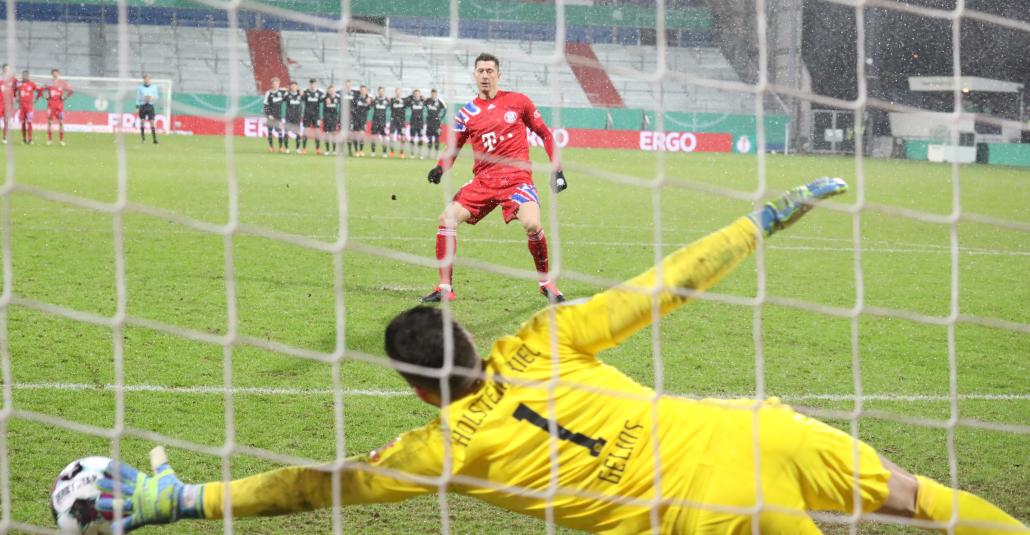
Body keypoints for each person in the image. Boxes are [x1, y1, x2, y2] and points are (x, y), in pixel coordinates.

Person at [94, 178, 1027, 534]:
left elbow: (315, 483)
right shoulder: (542, 339)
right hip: (752, 431)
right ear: (466, 339)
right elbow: (664, 284)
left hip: (707, 514)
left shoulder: (438, 450)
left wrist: (186, 498)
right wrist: (759, 219)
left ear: (416, 385)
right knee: (914, 497)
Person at [422, 53, 567, 303]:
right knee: (447, 219)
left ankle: (546, 283)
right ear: (475, 75)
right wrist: (440, 168)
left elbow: (544, 133)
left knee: (532, 224)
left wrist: (558, 169)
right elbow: (453, 149)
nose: (485, 75)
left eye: (490, 71)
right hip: (484, 182)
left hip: (517, 180)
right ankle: (445, 288)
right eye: (481, 71)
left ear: (499, 75)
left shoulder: (518, 101)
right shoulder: (466, 114)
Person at [42, 68, 73, 146]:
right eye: (53, 73)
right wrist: (45, 96)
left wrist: (64, 97)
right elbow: (41, 89)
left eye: (56, 73)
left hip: (59, 105)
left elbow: (71, 90)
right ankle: (49, 140)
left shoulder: (62, 83)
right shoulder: (49, 83)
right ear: (52, 74)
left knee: (61, 123)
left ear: (58, 74)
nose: (55, 75)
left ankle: (61, 140)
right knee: (49, 122)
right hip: (51, 104)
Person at [300, 78, 324, 155]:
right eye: (311, 84)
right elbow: (301, 98)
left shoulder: (320, 92)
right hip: (307, 115)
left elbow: (324, 100)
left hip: (316, 116)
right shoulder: (305, 92)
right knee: (306, 131)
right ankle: (304, 149)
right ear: (309, 84)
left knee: (317, 132)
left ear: (315, 84)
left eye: (313, 84)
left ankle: (318, 149)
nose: (312, 85)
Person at [262, 77, 287, 153]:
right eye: (274, 84)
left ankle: (280, 147)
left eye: (277, 83)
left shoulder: (282, 91)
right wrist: (269, 114)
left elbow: (289, 94)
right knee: (270, 132)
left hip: (278, 116)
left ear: (279, 84)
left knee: (279, 131)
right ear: (272, 85)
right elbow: (265, 105)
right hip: (270, 116)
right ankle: (271, 147)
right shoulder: (268, 93)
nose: (276, 85)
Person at [15, 70, 39, 145]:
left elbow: (39, 91)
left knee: (29, 123)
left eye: (26, 75)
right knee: (22, 123)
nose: (24, 76)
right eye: (23, 75)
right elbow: (14, 91)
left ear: (28, 76)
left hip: (29, 108)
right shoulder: (19, 84)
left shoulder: (32, 84)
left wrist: (36, 99)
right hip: (21, 107)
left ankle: (30, 139)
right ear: (22, 76)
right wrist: (16, 97)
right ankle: (23, 139)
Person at [135, 74, 159, 144]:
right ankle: (143, 139)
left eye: (148, 79)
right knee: (142, 122)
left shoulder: (154, 87)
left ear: (150, 79)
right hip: (142, 106)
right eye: (145, 79)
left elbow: (157, 97)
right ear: (144, 80)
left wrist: (151, 98)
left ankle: (154, 139)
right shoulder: (140, 88)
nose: (147, 80)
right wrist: (137, 107)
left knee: (152, 122)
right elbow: (137, 98)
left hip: (150, 106)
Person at [424, 88, 446, 159]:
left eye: (435, 93)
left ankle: (436, 154)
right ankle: (429, 154)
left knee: (437, 138)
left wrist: (441, 117)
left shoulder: (440, 101)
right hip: (429, 122)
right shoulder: (428, 100)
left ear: (436, 94)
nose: (434, 94)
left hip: (437, 123)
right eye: (432, 93)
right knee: (429, 138)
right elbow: (422, 104)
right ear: (431, 94)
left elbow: (445, 109)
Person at [350, 84, 372, 156]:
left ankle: (361, 150)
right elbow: (352, 107)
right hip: (355, 119)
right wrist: (354, 112)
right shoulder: (356, 98)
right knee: (355, 135)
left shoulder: (368, 98)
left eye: (364, 90)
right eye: (361, 90)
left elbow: (368, 108)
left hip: (363, 119)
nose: (363, 91)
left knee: (362, 135)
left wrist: (369, 103)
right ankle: (356, 151)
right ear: (360, 90)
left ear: (366, 91)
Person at [283, 81, 304, 154]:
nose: (293, 87)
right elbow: (281, 99)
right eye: (292, 86)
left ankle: (297, 149)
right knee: (286, 132)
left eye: (295, 86)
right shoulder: (287, 94)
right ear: (290, 87)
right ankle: (286, 148)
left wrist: (302, 94)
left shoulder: (300, 94)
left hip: (297, 116)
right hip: (288, 116)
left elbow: (306, 99)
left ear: (297, 87)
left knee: (298, 132)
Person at [321, 84, 341, 155]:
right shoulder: (325, 97)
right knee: (326, 134)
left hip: (334, 118)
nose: (331, 91)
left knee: (334, 133)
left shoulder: (337, 97)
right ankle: (327, 150)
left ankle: (334, 150)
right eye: (330, 90)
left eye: (333, 90)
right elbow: (320, 99)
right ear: (328, 91)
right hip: (326, 117)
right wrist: (326, 97)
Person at [370, 86, 389, 157]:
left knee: (384, 138)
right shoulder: (375, 100)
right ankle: (373, 152)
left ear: (384, 92)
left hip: (383, 121)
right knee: (373, 137)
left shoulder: (387, 100)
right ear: (378, 92)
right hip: (375, 121)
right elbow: (370, 105)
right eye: (380, 91)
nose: (381, 92)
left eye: (382, 91)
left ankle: (384, 153)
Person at [407, 88, 427, 159]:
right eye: (415, 94)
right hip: (413, 122)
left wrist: (424, 97)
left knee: (420, 138)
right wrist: (411, 96)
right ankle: (412, 153)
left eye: (418, 94)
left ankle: (420, 153)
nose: (417, 95)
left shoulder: (423, 101)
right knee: (412, 138)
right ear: (414, 95)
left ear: (420, 94)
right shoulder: (411, 101)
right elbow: (406, 100)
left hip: (420, 122)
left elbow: (429, 102)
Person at [389, 87, 408, 158]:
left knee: (403, 138)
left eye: (399, 92)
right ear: (395, 93)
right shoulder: (392, 100)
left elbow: (412, 98)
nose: (398, 93)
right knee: (391, 136)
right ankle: (392, 152)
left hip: (401, 121)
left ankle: (401, 153)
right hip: (393, 120)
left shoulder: (404, 101)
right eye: (397, 92)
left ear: (401, 93)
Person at [0, 64, 13, 145]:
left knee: (6, 121)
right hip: (0, 103)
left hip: (8, 104)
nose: (6, 70)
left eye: (8, 69)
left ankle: (5, 137)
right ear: (2, 69)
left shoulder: (12, 80)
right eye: (5, 69)